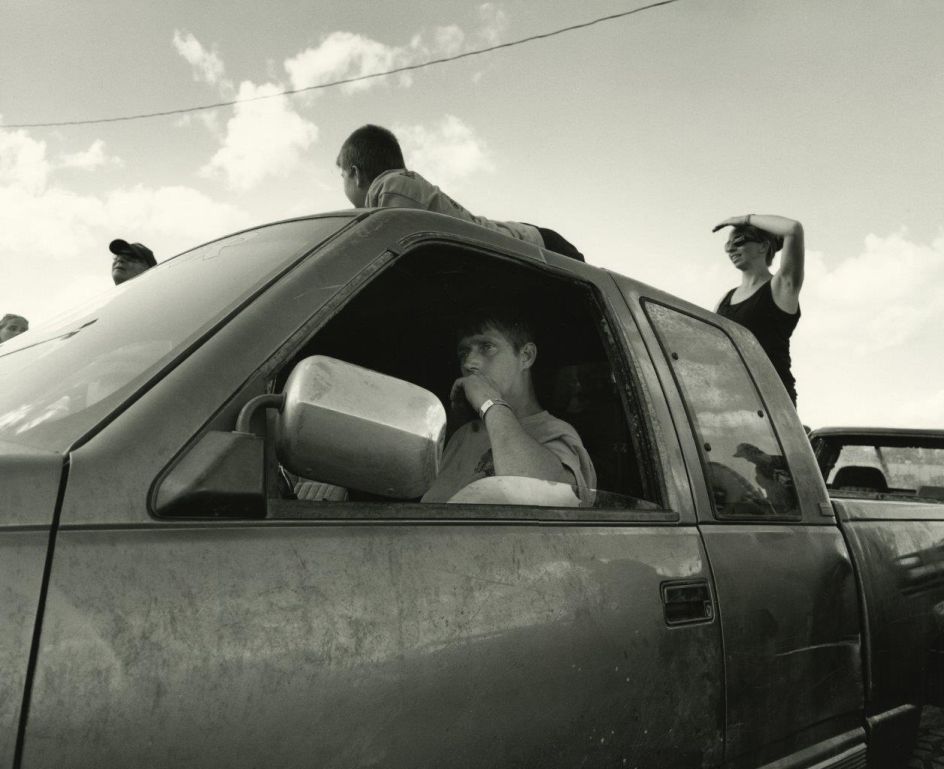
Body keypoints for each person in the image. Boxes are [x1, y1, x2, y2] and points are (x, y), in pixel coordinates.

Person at [421, 306, 596, 503]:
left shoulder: (556, 433)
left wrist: (490, 403)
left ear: (526, 356)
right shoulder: (463, 435)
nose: (469, 362)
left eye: (487, 347)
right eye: (464, 352)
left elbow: (535, 501)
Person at [337, 124, 585, 261]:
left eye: (342, 175)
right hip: (530, 240)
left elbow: (386, 250)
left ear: (356, 175)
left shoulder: (392, 185)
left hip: (538, 243)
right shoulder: (402, 184)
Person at [712, 214, 804, 405]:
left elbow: (793, 229)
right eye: (727, 245)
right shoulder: (725, 299)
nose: (731, 249)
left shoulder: (781, 287)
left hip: (773, 403)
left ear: (763, 246)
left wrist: (744, 219)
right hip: (731, 401)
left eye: (738, 241)